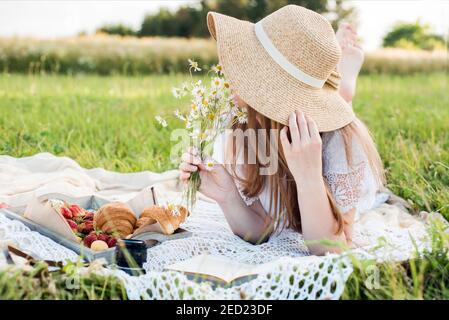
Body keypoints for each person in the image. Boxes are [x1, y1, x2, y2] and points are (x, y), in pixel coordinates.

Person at [179, 5, 386, 255]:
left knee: (339, 107)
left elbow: (332, 247)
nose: (227, 74)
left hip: (326, 133)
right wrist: (228, 196)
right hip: (283, 118)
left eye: (245, 65)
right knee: (326, 104)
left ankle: (343, 84)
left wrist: (309, 177)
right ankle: (338, 84)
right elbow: (261, 229)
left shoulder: (342, 141)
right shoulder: (241, 123)